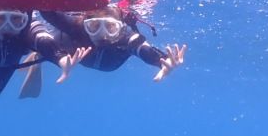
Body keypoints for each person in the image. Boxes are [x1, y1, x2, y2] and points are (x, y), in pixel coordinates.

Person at [40, 5, 186, 81]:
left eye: (110, 27)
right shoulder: (76, 27)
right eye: (94, 26)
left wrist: (163, 62)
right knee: (53, 36)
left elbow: (143, 49)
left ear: (120, 28)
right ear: (85, 24)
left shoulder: (126, 37)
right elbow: (46, 10)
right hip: (68, 50)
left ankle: (40, 51)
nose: (102, 34)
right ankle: (39, 50)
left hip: (107, 63)